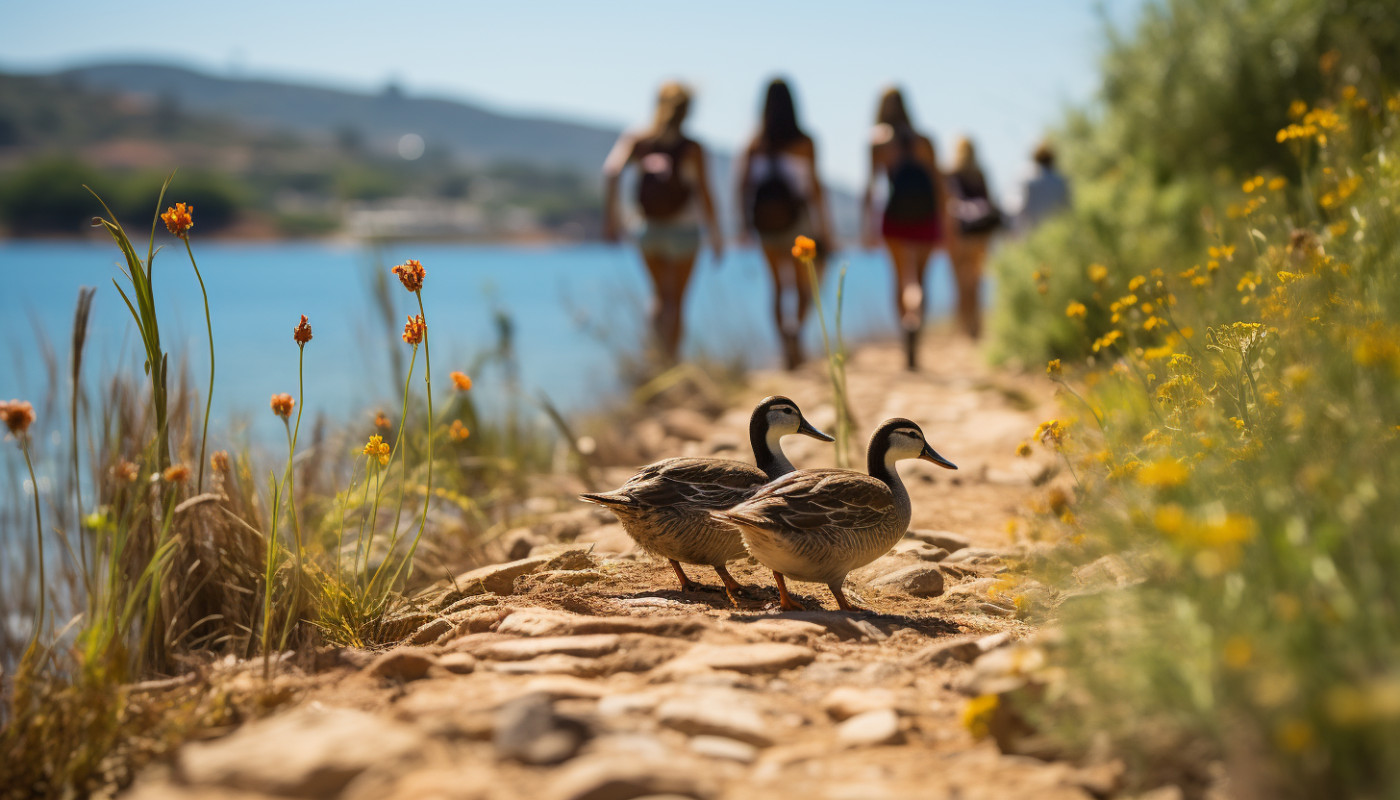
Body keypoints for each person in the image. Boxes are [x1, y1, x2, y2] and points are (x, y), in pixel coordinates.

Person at [603, 82, 724, 362]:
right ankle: (672, 362)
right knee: (678, 303)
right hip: (685, 231)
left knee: (658, 297)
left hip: (648, 229)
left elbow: (611, 172)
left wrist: (613, 219)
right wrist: (716, 235)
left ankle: (655, 360)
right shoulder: (692, 147)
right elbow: (705, 193)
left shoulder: (638, 139)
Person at [736, 78, 834, 370]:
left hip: (765, 225)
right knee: (804, 286)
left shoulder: (754, 143)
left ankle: (784, 345)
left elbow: (743, 186)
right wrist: (824, 227)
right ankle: (796, 331)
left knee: (778, 287)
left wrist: (744, 223)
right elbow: (815, 188)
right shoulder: (805, 142)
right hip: (798, 222)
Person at [861, 86, 951, 371]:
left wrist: (867, 226)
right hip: (925, 216)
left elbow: (870, 186)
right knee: (919, 280)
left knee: (900, 278)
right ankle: (916, 320)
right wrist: (946, 223)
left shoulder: (877, 140)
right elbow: (939, 183)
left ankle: (905, 327)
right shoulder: (924, 140)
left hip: (895, 217)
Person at [945, 136, 1002, 339]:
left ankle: (964, 327)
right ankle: (975, 326)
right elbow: (988, 203)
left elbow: (946, 205)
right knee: (976, 282)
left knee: (960, 283)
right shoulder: (979, 174)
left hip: (958, 234)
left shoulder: (949, 173)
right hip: (980, 236)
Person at [1014, 140, 1070, 232]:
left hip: (1035, 233)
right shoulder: (1061, 182)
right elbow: (1068, 209)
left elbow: (1022, 209)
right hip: (1058, 234)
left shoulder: (1029, 182)